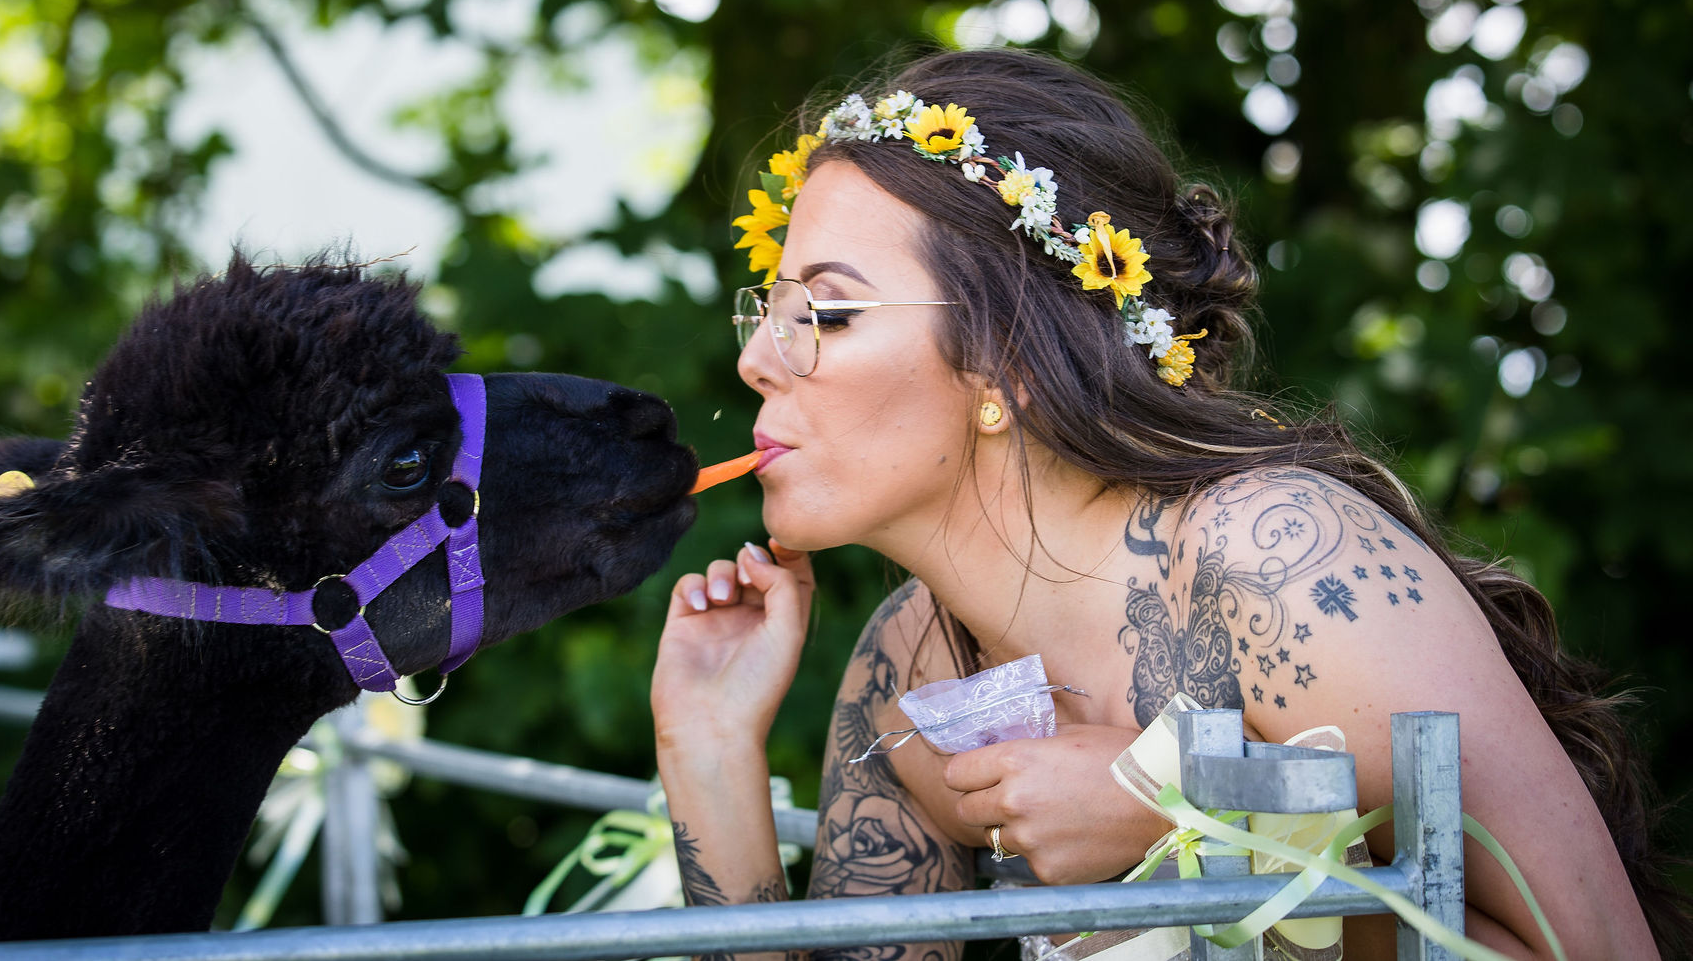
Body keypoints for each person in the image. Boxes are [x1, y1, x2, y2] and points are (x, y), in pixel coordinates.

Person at [649, 50, 1678, 961]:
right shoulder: (904, 666)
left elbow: (1591, 950)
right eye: (766, 310)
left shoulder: (1276, 563)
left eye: (821, 312)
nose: (752, 361)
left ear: (1004, 357)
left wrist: (1195, 825)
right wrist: (706, 752)